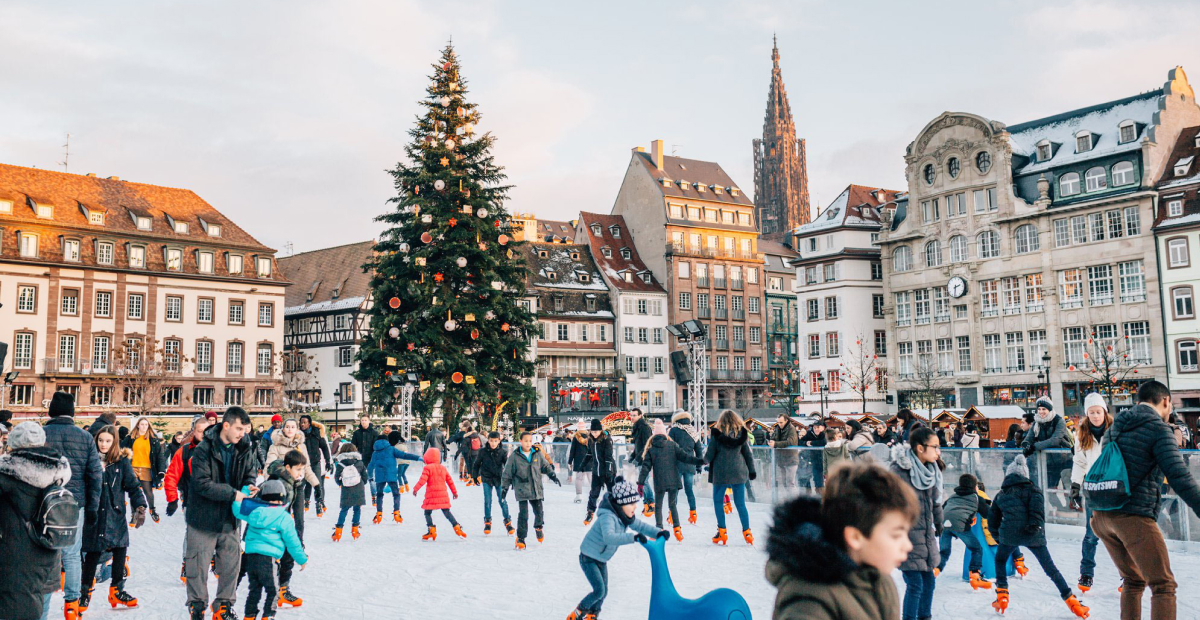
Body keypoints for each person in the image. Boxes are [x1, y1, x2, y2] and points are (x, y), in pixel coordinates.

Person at [1091, 380, 1200, 620]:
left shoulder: (1114, 429)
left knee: (1133, 580)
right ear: (1165, 401)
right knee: (1162, 585)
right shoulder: (1159, 429)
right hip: (1133, 517)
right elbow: (1179, 476)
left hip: (1101, 517)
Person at [765, 461, 918, 620]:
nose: (908, 546)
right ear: (855, 537)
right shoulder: (808, 601)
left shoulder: (880, 581)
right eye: (896, 535)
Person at [989, 454, 1089, 617]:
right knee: (1051, 569)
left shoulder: (1002, 494)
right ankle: (1072, 601)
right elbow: (1037, 513)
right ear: (1026, 475)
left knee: (1000, 560)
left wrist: (1000, 539)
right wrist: (1034, 528)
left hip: (1009, 534)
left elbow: (992, 520)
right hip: (1033, 533)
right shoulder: (1034, 490)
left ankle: (1002, 595)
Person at [183, 407, 257, 620]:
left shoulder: (244, 448)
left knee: (231, 565)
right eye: (239, 428)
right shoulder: (203, 450)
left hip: (229, 518)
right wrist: (233, 493)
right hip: (203, 518)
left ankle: (224, 604)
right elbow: (201, 484)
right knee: (198, 565)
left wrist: (250, 486)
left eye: (244, 429)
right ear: (226, 425)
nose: (242, 433)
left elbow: (250, 473)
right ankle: (197, 605)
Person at [0, 422, 72, 620]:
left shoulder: (6, 475)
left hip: (13, 556)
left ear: (13, 445)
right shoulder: (57, 473)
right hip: (48, 552)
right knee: (38, 605)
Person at [41, 391, 102, 620]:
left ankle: (44, 602)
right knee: (72, 555)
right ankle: (71, 604)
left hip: (45, 503)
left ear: (51, 412)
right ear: (72, 412)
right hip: (74, 503)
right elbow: (95, 475)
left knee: (47, 553)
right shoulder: (85, 437)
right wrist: (93, 507)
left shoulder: (42, 433)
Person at [567, 479, 663, 620]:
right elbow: (609, 537)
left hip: (601, 558)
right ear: (622, 504)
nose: (635, 507)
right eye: (632, 503)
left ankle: (592, 615)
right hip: (588, 558)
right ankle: (577, 614)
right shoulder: (608, 517)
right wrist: (633, 538)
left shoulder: (624, 516)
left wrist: (658, 533)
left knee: (603, 592)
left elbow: (641, 526)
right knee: (599, 591)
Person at [79, 426, 147, 612]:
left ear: (114, 442)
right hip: (94, 513)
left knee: (120, 549)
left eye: (108, 441)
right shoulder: (89, 461)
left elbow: (133, 486)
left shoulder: (121, 462)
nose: (103, 444)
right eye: (101, 440)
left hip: (115, 513)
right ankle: (84, 592)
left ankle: (117, 590)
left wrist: (140, 506)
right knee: (92, 553)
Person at [232, 479, 307, 620]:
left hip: (251, 559)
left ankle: (249, 616)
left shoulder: (254, 511)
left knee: (254, 590)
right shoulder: (284, 517)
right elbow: (293, 542)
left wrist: (245, 491)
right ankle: (269, 615)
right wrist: (301, 559)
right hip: (268, 560)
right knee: (273, 591)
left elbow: (236, 509)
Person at [888, 426, 942, 620]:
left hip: (925, 537)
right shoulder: (900, 471)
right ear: (920, 448)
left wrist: (940, 521)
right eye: (934, 447)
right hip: (906, 538)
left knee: (929, 582)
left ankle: (924, 617)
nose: (938, 451)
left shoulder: (930, 470)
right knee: (915, 584)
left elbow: (934, 500)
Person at [1069, 392, 1112, 593]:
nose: (1096, 415)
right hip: (1093, 488)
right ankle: (1086, 573)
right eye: (1092, 412)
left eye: (1098, 411)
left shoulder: (1114, 430)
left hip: (1114, 486)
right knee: (1091, 534)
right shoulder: (1082, 434)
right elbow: (1080, 461)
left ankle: (1127, 575)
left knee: (1120, 534)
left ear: (1104, 411)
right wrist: (1075, 485)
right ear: (1087, 414)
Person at [638, 419, 703, 540]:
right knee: (672, 505)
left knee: (658, 505)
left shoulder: (651, 450)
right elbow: (685, 457)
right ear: (665, 434)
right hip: (673, 480)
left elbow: (645, 468)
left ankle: (658, 529)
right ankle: (677, 530)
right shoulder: (673, 445)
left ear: (654, 436)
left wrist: (640, 483)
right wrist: (699, 461)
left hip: (660, 482)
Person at [262, 449, 309, 608]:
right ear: (288, 467)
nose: (300, 473)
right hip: (272, 529)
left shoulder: (289, 480)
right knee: (275, 561)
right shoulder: (281, 484)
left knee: (286, 557)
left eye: (302, 469)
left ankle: (283, 590)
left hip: (279, 526)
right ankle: (275, 593)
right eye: (298, 469)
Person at [704, 409, 757, 546]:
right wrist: (751, 471)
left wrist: (700, 462)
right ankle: (747, 532)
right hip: (738, 473)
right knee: (740, 504)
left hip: (721, 473)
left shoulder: (716, 436)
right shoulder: (742, 435)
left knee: (718, 502)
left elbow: (709, 455)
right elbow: (748, 455)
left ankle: (722, 531)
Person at [501, 431, 561, 549]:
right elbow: (507, 473)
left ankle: (538, 527)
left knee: (539, 511)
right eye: (525, 441)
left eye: (530, 441)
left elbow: (545, 466)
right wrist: (504, 488)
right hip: (522, 488)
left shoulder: (537, 454)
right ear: (521, 441)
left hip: (535, 488)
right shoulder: (514, 456)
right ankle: (521, 538)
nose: (528, 443)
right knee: (523, 514)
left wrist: (553, 476)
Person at [934, 474, 991, 590]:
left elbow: (944, 509)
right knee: (976, 548)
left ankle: (934, 571)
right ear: (975, 487)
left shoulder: (953, 496)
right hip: (959, 525)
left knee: (944, 552)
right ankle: (975, 575)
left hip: (943, 524)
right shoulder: (976, 498)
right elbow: (987, 514)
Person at [369, 431, 422, 524]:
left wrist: (370, 476)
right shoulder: (391, 449)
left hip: (379, 476)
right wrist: (418, 458)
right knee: (396, 494)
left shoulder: (375, 453)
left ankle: (379, 514)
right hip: (391, 475)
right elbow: (404, 455)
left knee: (379, 494)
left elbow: (370, 466)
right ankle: (396, 513)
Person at [1022, 397, 1072, 494]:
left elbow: (1055, 440)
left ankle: (1074, 506)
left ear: (1049, 409)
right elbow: (1028, 438)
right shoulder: (1037, 422)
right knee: (1050, 490)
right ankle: (1058, 508)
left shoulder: (1058, 421)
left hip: (1064, 459)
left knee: (1068, 487)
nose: (1041, 412)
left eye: (1044, 409)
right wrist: (1026, 445)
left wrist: (1034, 447)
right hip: (1048, 462)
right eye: (1039, 409)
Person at [412, 448, 465, 540]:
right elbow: (450, 481)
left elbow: (422, 480)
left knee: (427, 513)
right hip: (442, 495)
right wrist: (454, 492)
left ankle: (431, 529)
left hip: (431, 495)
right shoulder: (443, 468)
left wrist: (415, 489)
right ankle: (457, 527)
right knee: (446, 512)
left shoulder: (427, 468)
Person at [265, 419, 321, 503]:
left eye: (292, 427)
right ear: (283, 429)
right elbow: (269, 467)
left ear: (297, 429)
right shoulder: (275, 446)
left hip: (298, 485)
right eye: (287, 427)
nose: (290, 429)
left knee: (299, 515)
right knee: (284, 514)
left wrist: (316, 485)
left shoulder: (301, 446)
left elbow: (306, 468)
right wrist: (269, 484)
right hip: (282, 486)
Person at [121, 416, 164, 523]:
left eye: (146, 424)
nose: (144, 426)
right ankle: (133, 514)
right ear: (138, 425)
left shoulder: (153, 439)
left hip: (146, 468)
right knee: (134, 491)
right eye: (142, 424)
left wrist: (161, 470)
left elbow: (160, 456)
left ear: (148, 426)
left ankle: (152, 510)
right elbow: (121, 450)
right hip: (133, 468)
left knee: (148, 491)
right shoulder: (130, 438)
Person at [473, 431, 514, 535]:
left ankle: (508, 522)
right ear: (488, 440)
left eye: (495, 441)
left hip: (499, 479)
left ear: (499, 441)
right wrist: (475, 476)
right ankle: (487, 521)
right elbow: (477, 464)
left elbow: (508, 466)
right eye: (491, 441)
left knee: (502, 500)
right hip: (486, 478)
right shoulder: (482, 451)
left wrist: (511, 479)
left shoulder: (503, 452)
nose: (493, 443)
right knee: (487, 500)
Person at [667, 410, 703, 526]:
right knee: (689, 490)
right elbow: (698, 450)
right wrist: (698, 466)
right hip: (690, 464)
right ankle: (693, 514)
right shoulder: (693, 431)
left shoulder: (674, 430)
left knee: (674, 491)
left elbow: (669, 447)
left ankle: (672, 516)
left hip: (677, 464)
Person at [330, 443, 368, 542]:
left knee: (344, 510)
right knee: (357, 509)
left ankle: (338, 531)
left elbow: (336, 477)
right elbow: (365, 477)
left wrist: (340, 483)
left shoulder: (341, 463)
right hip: (358, 488)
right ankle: (355, 530)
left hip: (346, 488)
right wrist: (362, 482)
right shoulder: (359, 462)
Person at [584, 419, 617, 525]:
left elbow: (608, 456)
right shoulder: (591, 440)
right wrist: (582, 464)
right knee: (594, 493)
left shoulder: (606, 440)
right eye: (592, 432)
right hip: (596, 471)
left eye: (596, 432)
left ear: (600, 431)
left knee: (612, 492)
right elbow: (589, 453)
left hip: (608, 470)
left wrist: (609, 471)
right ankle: (590, 512)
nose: (594, 434)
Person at [298, 415, 331, 516]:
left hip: (315, 462)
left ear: (309, 423)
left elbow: (325, 447)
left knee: (318, 484)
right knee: (301, 484)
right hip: (302, 464)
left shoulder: (316, 433)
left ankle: (319, 503)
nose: (302, 424)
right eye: (301, 422)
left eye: (304, 422)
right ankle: (304, 502)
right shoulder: (298, 435)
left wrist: (328, 461)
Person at [627, 408, 655, 516]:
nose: (632, 417)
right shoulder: (637, 427)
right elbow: (638, 446)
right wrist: (633, 456)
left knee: (644, 481)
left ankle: (650, 503)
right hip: (641, 458)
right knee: (642, 481)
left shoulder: (644, 427)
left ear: (640, 416)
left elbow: (646, 445)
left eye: (634, 415)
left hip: (646, 459)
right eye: (631, 415)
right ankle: (647, 504)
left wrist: (637, 458)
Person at [769, 413, 800, 491]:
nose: (779, 424)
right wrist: (771, 441)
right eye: (778, 422)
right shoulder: (777, 428)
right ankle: (790, 500)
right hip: (781, 460)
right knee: (784, 483)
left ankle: (795, 501)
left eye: (781, 422)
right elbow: (773, 438)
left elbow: (791, 442)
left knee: (790, 483)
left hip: (791, 459)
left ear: (786, 421)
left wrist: (775, 444)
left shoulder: (791, 429)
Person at [566, 423, 594, 504]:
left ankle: (579, 495)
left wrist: (570, 461)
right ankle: (595, 494)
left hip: (578, 460)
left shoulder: (575, 437)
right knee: (591, 478)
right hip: (589, 460)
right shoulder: (590, 437)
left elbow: (572, 450)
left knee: (579, 478)